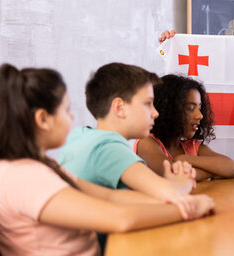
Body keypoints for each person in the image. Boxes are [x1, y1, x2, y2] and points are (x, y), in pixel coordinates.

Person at [0, 64, 215, 256]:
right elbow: (119, 219)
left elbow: (111, 198)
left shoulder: (43, 164)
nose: (72, 118)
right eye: (66, 110)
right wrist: (189, 206)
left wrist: (180, 199)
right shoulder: (24, 176)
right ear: (43, 119)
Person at [57, 63, 197, 215]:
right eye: (148, 104)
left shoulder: (79, 135)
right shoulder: (109, 147)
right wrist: (182, 182)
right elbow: (172, 194)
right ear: (119, 107)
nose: (155, 113)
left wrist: (170, 183)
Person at [134, 74, 234, 181]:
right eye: (191, 108)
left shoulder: (192, 147)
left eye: (199, 107)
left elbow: (231, 167)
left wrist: (186, 159)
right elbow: (175, 176)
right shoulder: (146, 143)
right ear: (168, 111)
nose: (200, 115)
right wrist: (215, 172)